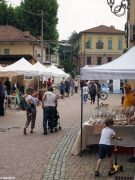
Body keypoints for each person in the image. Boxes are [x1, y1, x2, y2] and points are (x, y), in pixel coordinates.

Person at [122, 84, 135, 163]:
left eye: (126, 89)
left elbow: (133, 106)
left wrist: (131, 117)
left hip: (130, 114)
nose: (125, 90)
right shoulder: (127, 95)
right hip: (127, 114)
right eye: (124, 89)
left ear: (129, 89)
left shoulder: (132, 96)